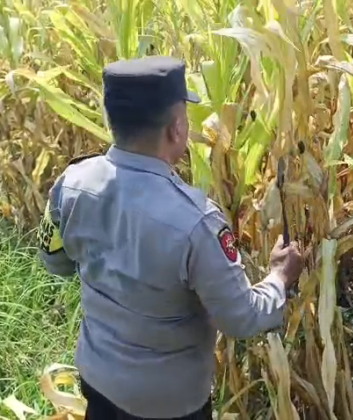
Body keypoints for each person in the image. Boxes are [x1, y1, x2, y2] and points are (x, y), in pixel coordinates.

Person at [36, 56, 304, 420]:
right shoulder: (197, 221)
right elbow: (241, 318)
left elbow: (56, 262)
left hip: (98, 380)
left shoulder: (70, 184)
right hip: (168, 405)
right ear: (176, 129)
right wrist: (280, 278)